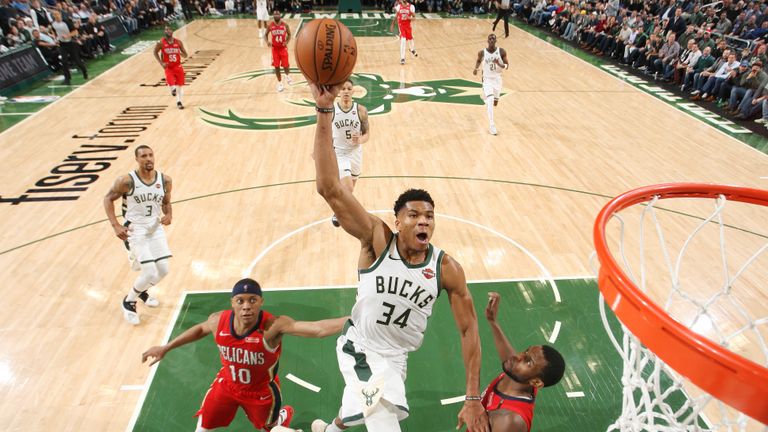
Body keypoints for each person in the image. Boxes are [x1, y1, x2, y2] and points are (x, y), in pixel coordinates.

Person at [307, 83, 490, 432]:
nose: (423, 221)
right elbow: (330, 188)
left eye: (429, 216)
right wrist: (324, 110)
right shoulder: (377, 239)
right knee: (383, 421)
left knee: (355, 412)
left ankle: (328, 429)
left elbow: (469, 330)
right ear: (397, 221)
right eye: (414, 215)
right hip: (360, 347)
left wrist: (472, 396)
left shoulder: (446, 268)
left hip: (397, 359)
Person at [142, 278, 349, 432]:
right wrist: (166, 347)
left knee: (271, 429)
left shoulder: (273, 326)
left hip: (261, 392)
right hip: (227, 386)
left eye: (252, 300)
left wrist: (354, 318)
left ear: (261, 301)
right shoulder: (218, 320)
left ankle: (281, 416)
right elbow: (200, 329)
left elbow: (318, 329)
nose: (246, 306)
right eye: (240, 301)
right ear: (232, 302)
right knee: (202, 427)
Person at [104, 145, 172, 325]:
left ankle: (141, 292)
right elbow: (108, 198)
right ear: (137, 159)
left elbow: (166, 201)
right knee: (149, 271)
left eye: (150, 155)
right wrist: (115, 225)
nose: (148, 158)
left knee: (164, 270)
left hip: (155, 227)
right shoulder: (126, 181)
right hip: (135, 229)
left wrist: (169, 214)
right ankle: (129, 301)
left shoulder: (165, 180)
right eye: (143, 156)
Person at [481, 292, 566, 431]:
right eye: (526, 351)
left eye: (528, 362)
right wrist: (493, 321)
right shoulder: (519, 377)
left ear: (536, 383)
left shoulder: (508, 420)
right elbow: (509, 358)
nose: (518, 356)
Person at [329, 78, 370, 228]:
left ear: (353, 91)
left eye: (348, 88)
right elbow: (323, 132)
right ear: (338, 92)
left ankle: (340, 207)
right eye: (343, 88)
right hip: (340, 153)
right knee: (348, 188)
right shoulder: (332, 111)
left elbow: (367, 134)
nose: (346, 91)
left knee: (350, 187)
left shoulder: (361, 110)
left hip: (355, 153)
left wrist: (360, 139)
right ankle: (340, 212)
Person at [473, 33, 509, 136]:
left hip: (497, 79)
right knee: (490, 99)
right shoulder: (482, 52)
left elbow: (507, 66)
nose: (492, 41)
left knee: (495, 103)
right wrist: (476, 69)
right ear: (488, 41)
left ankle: (486, 97)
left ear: (496, 41)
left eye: (493, 39)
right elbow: (478, 60)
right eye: (490, 39)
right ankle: (492, 125)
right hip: (487, 79)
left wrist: (499, 63)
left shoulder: (501, 51)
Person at [154, 25, 188, 109]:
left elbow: (185, 55)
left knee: (180, 85)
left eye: (169, 29)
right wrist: (161, 63)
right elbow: (155, 52)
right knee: (171, 83)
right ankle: (173, 89)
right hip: (168, 67)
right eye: (166, 29)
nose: (168, 31)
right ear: (164, 32)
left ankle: (179, 102)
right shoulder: (160, 42)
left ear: (172, 31)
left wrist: (181, 53)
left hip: (178, 66)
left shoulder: (178, 42)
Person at [51, 10, 88, 86]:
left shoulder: (66, 22)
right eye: (54, 14)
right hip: (62, 44)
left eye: (57, 14)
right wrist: (56, 38)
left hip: (71, 43)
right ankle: (67, 79)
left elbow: (75, 32)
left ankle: (84, 71)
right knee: (64, 61)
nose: (56, 15)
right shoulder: (53, 24)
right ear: (53, 16)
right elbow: (54, 31)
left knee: (77, 61)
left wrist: (67, 36)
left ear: (60, 14)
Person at [265, 10, 292, 92]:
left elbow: (289, 34)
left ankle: (287, 76)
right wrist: (267, 42)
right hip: (275, 49)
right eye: (275, 14)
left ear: (280, 15)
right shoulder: (270, 25)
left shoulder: (285, 25)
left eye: (278, 14)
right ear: (273, 16)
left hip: (283, 48)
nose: (276, 15)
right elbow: (265, 35)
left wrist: (287, 42)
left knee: (286, 66)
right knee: (276, 67)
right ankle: (280, 83)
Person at [389, 0, 417, 65]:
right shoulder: (399, 6)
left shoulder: (411, 7)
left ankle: (412, 49)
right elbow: (396, 16)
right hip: (401, 25)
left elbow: (414, 18)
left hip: (408, 26)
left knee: (410, 38)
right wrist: (392, 24)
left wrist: (408, 17)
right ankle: (402, 58)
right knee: (403, 40)